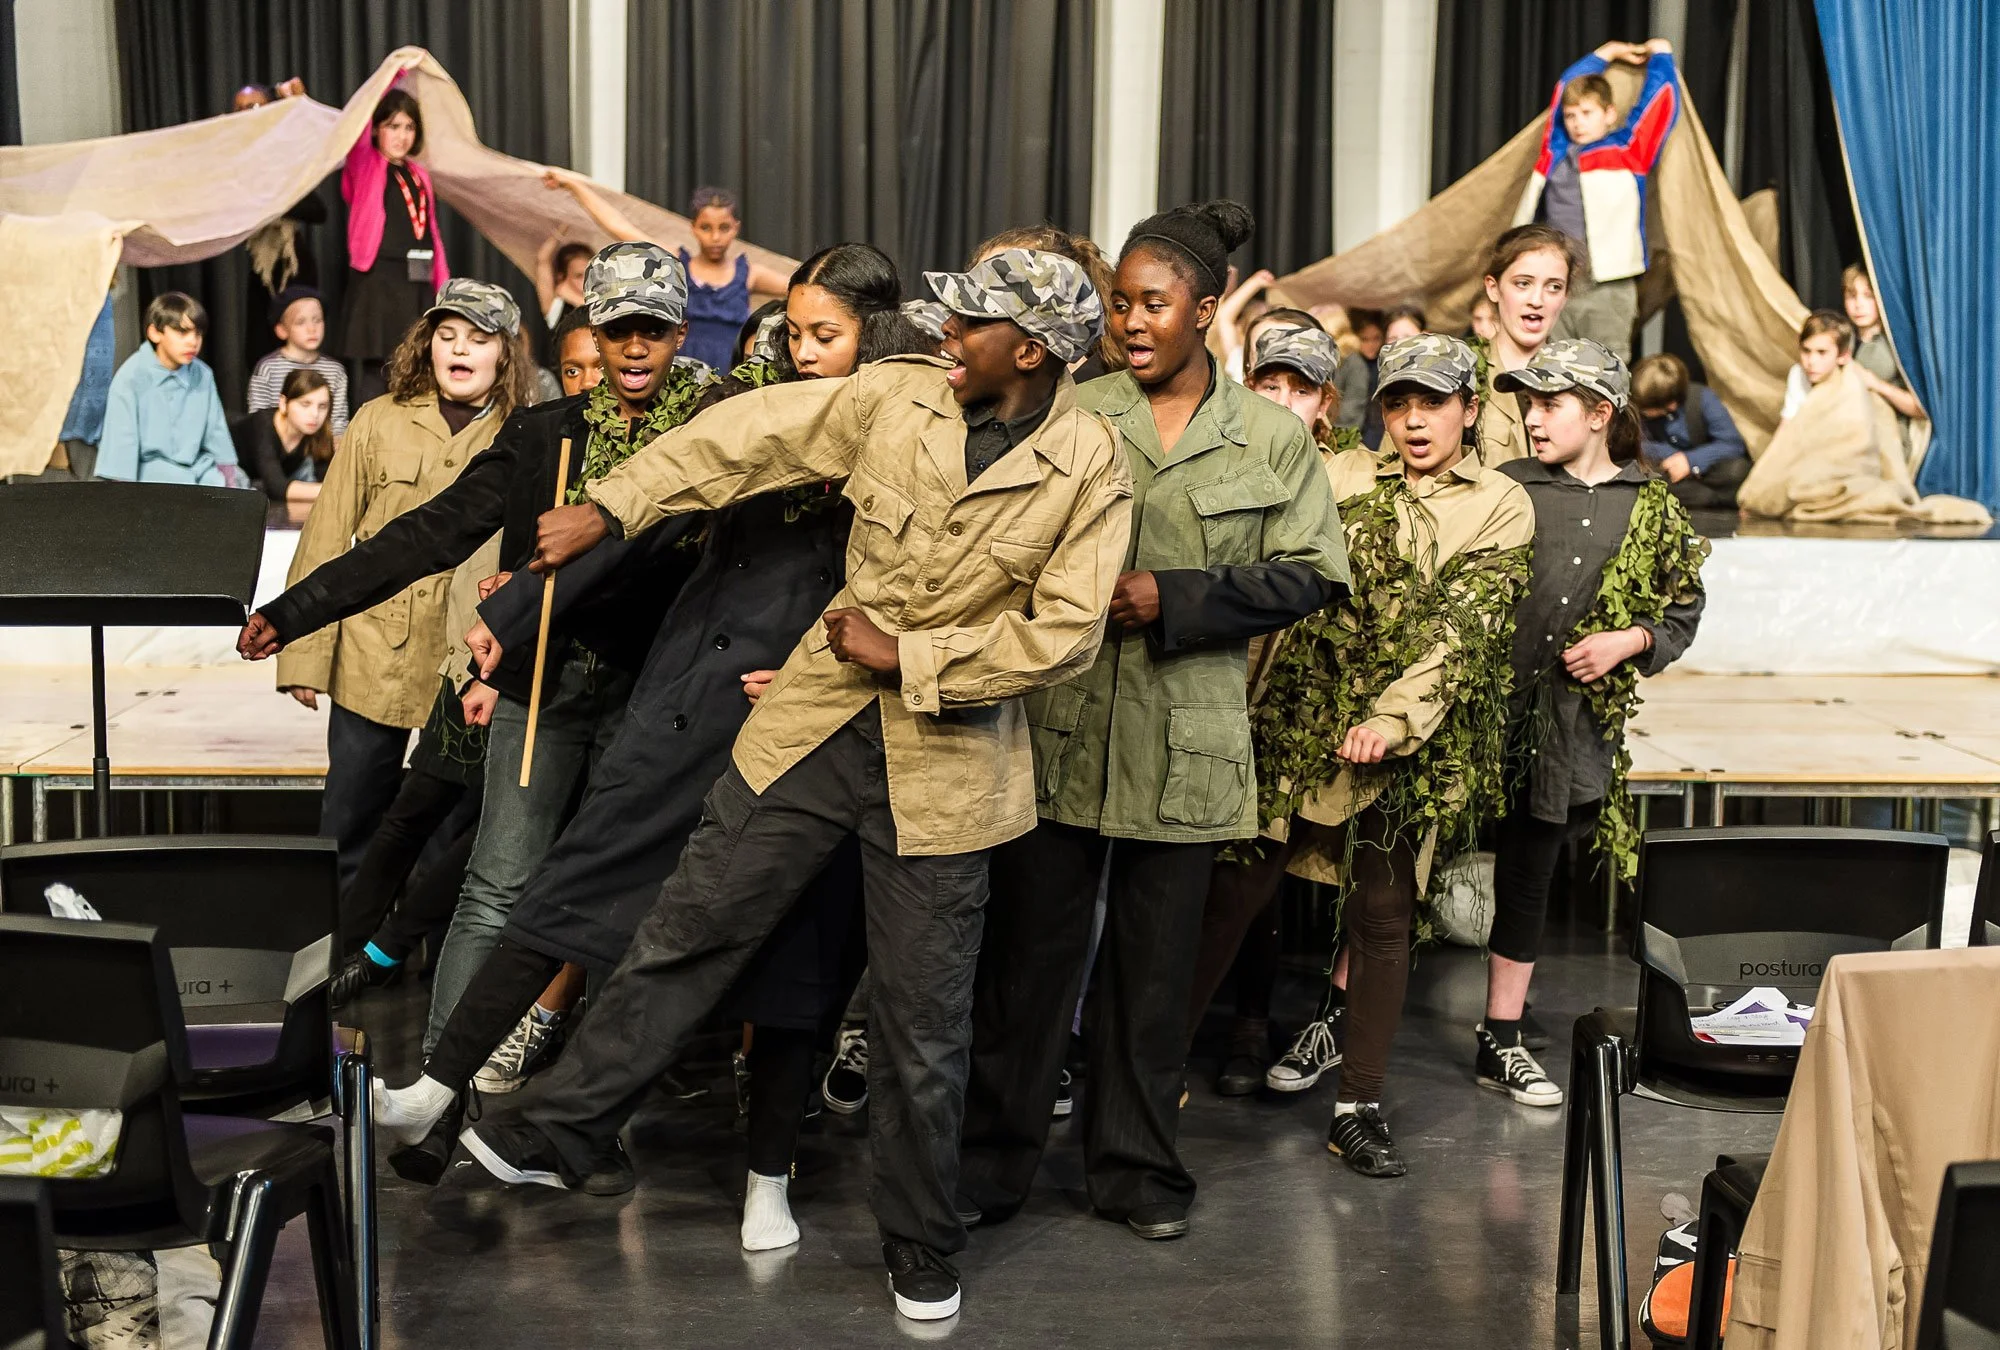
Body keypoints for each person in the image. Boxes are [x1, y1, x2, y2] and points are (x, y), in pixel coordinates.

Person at [454, 248, 1129, 1324]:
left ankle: (919, 1242)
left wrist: (903, 657)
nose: (945, 334)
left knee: (921, 1024)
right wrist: (614, 506)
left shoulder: (1089, 462)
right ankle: (564, 1129)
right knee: (691, 923)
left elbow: (1062, 636)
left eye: (972, 325)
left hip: (946, 769)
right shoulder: (894, 396)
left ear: (1035, 350)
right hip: (810, 727)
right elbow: (745, 435)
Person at [371, 246, 936, 1256]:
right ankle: (437, 1084)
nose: (801, 352)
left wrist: (822, 673)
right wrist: (528, 611)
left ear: (872, 336)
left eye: (824, 335)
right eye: (792, 333)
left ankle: (769, 1179)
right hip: (686, 699)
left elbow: (915, 582)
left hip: (807, 726)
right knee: (574, 889)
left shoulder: (915, 428)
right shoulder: (745, 405)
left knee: (785, 968)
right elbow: (641, 514)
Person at [957, 201, 1350, 1244]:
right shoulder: (1071, 411)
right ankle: (991, 1166)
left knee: (1151, 979)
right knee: (1026, 972)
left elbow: (1315, 574)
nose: (1130, 321)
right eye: (1119, 303)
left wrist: (1174, 599)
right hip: (1058, 735)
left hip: (1185, 749)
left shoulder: (1266, 436)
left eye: (1154, 303)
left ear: (1208, 310)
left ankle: (1131, 1169)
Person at [247, 247, 710, 1097]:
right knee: (494, 882)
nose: (635, 347)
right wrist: (297, 611)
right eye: (618, 329)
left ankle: (597, 1108)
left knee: (635, 900)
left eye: (652, 329)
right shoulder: (544, 435)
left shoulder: (711, 428)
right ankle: (434, 1089)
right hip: (548, 689)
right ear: (592, 336)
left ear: (679, 333)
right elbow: (424, 534)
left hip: (658, 699)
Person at [1191, 335, 1533, 1176]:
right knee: (1233, 892)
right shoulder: (1338, 477)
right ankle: (1149, 1077)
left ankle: (1358, 1104)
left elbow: (1465, 628)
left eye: (1433, 405)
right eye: (1398, 404)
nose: (1414, 422)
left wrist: (1392, 719)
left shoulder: (1499, 502)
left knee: (1383, 916)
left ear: (1469, 411)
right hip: (1298, 724)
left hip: (1397, 746)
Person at [1480, 338, 1705, 1105]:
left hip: (1564, 728)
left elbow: (1681, 608)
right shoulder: (1507, 487)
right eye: (1527, 404)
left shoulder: (1649, 507)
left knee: (1528, 873)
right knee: (1407, 863)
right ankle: (1344, 1014)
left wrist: (1629, 640)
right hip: (1478, 717)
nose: (1532, 419)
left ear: (1599, 414)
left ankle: (1500, 1034)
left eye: (1549, 404)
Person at [268, 280, 529, 894]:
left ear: (504, 354)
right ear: (427, 345)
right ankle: (338, 953)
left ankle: (422, 962)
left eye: (478, 338)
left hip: (466, 658)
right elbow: (326, 536)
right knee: (352, 814)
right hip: (371, 653)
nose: (459, 349)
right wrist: (303, 652)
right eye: (447, 336)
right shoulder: (377, 421)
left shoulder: (526, 434)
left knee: (448, 828)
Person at [1188, 322, 1349, 1096]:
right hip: (1216, 693)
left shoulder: (1346, 482)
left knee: (1254, 874)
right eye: (1270, 383)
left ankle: (1250, 1024)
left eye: (1301, 388)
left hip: (1295, 710)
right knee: (1211, 875)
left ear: (1325, 404)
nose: (1283, 400)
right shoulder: (1218, 458)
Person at [1516, 38, 1678, 361]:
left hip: (1607, 284)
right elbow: (1564, 88)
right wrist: (1605, 53)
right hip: (1556, 281)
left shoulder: (1626, 152)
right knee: (1550, 367)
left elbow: (1659, 102)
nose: (1577, 122)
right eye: (1571, 115)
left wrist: (1661, 56)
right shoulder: (1556, 151)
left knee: (1607, 370)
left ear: (1609, 114)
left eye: (1587, 113)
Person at [338, 86, 449, 406]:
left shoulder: (418, 173)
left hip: (417, 277)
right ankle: (367, 437)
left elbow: (431, 229)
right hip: (381, 276)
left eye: (409, 127)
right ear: (376, 129)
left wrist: (441, 280)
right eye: (393, 126)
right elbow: (355, 126)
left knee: (415, 362)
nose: (402, 136)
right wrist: (392, 74)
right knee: (381, 366)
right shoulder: (365, 162)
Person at [95, 292, 238, 488]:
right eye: (182, 332)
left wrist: (229, 480)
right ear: (155, 333)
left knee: (220, 485)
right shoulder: (131, 377)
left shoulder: (202, 374)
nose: (193, 341)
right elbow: (122, 442)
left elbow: (216, 430)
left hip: (197, 467)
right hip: (151, 472)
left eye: (197, 333)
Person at [1477, 224, 1577, 465]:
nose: (1536, 300)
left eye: (1554, 287)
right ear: (1493, 288)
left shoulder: (1583, 382)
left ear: (1565, 297)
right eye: (1523, 283)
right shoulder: (1457, 375)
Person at [678, 187, 792, 372]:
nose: (715, 237)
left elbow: (803, 283)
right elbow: (625, 230)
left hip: (731, 370)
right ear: (693, 228)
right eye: (706, 227)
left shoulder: (749, 274)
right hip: (685, 371)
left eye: (724, 228)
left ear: (736, 228)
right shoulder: (677, 267)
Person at [1629, 353, 1749, 508]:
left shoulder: (1703, 399)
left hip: (1705, 470)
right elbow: (1636, 443)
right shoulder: (1638, 410)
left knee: (1738, 470)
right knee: (1641, 474)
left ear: (1671, 404)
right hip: (1666, 471)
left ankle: (1704, 498)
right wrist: (1671, 456)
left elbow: (1732, 444)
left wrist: (1690, 460)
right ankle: (1710, 499)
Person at [1840, 264, 1927, 455]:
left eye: (1868, 296)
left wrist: (1877, 385)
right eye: (1852, 296)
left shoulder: (1898, 344)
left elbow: (1921, 409)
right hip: (1844, 432)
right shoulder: (1842, 340)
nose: (1859, 304)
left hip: (1884, 438)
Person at [247, 286, 350, 438]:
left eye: (317, 320)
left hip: (321, 450)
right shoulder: (268, 368)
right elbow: (258, 419)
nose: (311, 329)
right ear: (282, 330)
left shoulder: (335, 371)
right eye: (300, 322)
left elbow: (338, 423)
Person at [230, 367, 334, 504]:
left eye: (322, 406)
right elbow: (277, 487)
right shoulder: (263, 425)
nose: (315, 414)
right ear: (283, 403)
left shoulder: (317, 431)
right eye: (305, 404)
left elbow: (326, 475)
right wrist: (333, 491)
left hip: (272, 484)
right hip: (233, 480)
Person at [1779, 309, 1857, 422]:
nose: (1811, 361)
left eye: (1822, 352)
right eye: (1806, 351)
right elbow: (1787, 425)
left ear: (1844, 356)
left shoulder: (1851, 384)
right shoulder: (1798, 374)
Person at [1333, 308, 1388, 450]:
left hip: (1374, 433)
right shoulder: (1350, 363)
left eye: (1376, 338)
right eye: (1365, 339)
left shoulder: (1383, 365)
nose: (1371, 344)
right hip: (1352, 435)